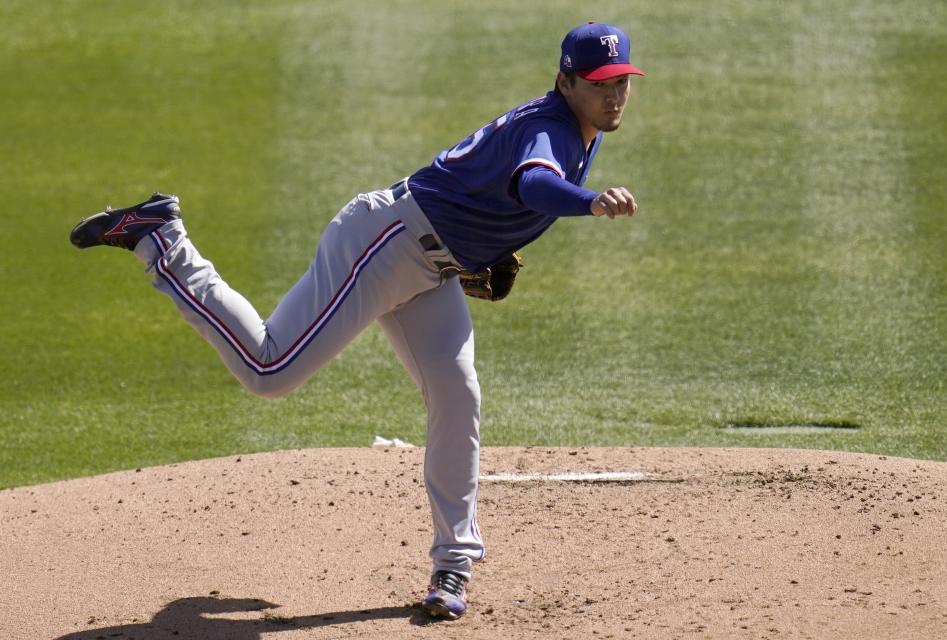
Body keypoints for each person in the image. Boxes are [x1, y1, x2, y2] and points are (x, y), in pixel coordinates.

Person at [68, 21, 643, 620]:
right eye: (601, 83)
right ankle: (162, 240)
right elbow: (534, 184)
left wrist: (482, 248)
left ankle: (454, 562)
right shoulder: (550, 128)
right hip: (385, 244)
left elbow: (491, 188)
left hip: (429, 269)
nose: (615, 95)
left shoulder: (579, 126)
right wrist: (590, 201)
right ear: (565, 80)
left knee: (457, 394)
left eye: (623, 81)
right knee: (269, 369)